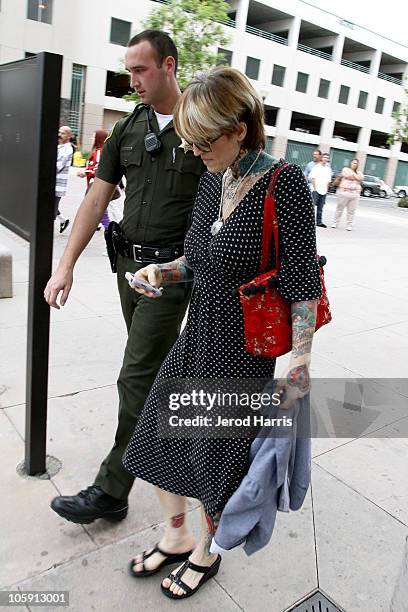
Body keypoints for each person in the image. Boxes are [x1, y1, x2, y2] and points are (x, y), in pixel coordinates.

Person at [122, 66, 321, 599]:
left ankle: (207, 556)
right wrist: (161, 272)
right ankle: (177, 535)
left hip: (241, 354)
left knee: (218, 462)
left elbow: (304, 281)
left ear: (240, 126)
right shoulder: (213, 180)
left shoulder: (286, 184)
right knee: (154, 442)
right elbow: (198, 259)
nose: (194, 151)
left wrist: (299, 362)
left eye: (204, 140)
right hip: (194, 338)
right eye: (190, 141)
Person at [44, 30, 204, 524]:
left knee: (134, 377)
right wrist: (66, 263)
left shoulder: (200, 124)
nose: (132, 79)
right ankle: (184, 449)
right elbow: (98, 196)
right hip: (127, 268)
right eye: (129, 70)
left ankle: (112, 488)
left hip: (168, 275)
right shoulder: (129, 129)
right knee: (152, 373)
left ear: (170, 66)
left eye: (141, 70)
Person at [77, 129, 111, 230]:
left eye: (93, 136)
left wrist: (85, 172)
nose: (91, 139)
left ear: (99, 139)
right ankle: (105, 228)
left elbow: (99, 169)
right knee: (99, 209)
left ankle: (108, 229)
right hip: (94, 185)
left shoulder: (100, 152)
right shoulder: (98, 151)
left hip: (95, 185)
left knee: (94, 208)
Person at [331, 158, 363, 231]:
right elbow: (348, 176)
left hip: (355, 194)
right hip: (344, 192)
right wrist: (356, 177)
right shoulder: (345, 169)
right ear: (350, 163)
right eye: (353, 163)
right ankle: (335, 222)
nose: (354, 164)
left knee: (351, 211)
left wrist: (354, 176)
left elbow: (360, 178)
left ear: (357, 165)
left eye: (355, 163)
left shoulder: (360, 173)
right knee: (339, 209)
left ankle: (349, 225)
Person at [55, 126, 73, 233]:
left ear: (69, 136)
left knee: (49, 209)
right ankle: (63, 220)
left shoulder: (67, 149)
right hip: (53, 183)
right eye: (59, 132)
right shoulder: (59, 147)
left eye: (63, 133)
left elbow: (57, 167)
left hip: (57, 185)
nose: (60, 135)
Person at [309, 152, 331, 227]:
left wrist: (326, 190)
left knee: (320, 208)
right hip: (316, 190)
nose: (326, 159)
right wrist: (315, 189)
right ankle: (309, 221)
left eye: (327, 158)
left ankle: (319, 222)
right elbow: (312, 178)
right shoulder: (316, 167)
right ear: (321, 158)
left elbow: (328, 180)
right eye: (324, 157)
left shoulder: (328, 169)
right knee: (312, 207)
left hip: (324, 191)